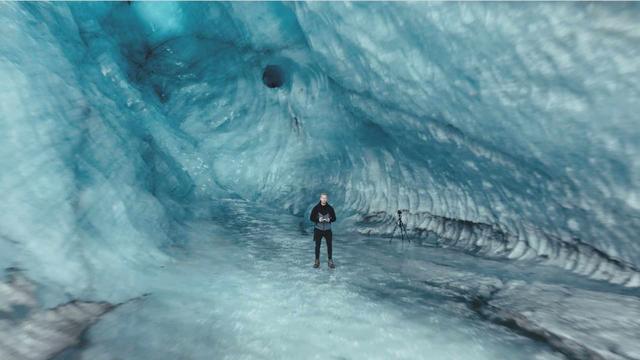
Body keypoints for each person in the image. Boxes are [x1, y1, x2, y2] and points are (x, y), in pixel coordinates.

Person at [309, 193, 337, 269]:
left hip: (328, 230)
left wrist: (329, 219)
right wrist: (318, 219)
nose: (324, 199)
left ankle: (330, 260)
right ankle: (317, 261)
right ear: (320, 198)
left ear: (327, 199)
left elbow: (334, 218)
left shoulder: (330, 208)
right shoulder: (316, 208)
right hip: (318, 230)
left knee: (329, 246)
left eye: (325, 198)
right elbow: (311, 218)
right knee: (317, 246)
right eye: (323, 198)